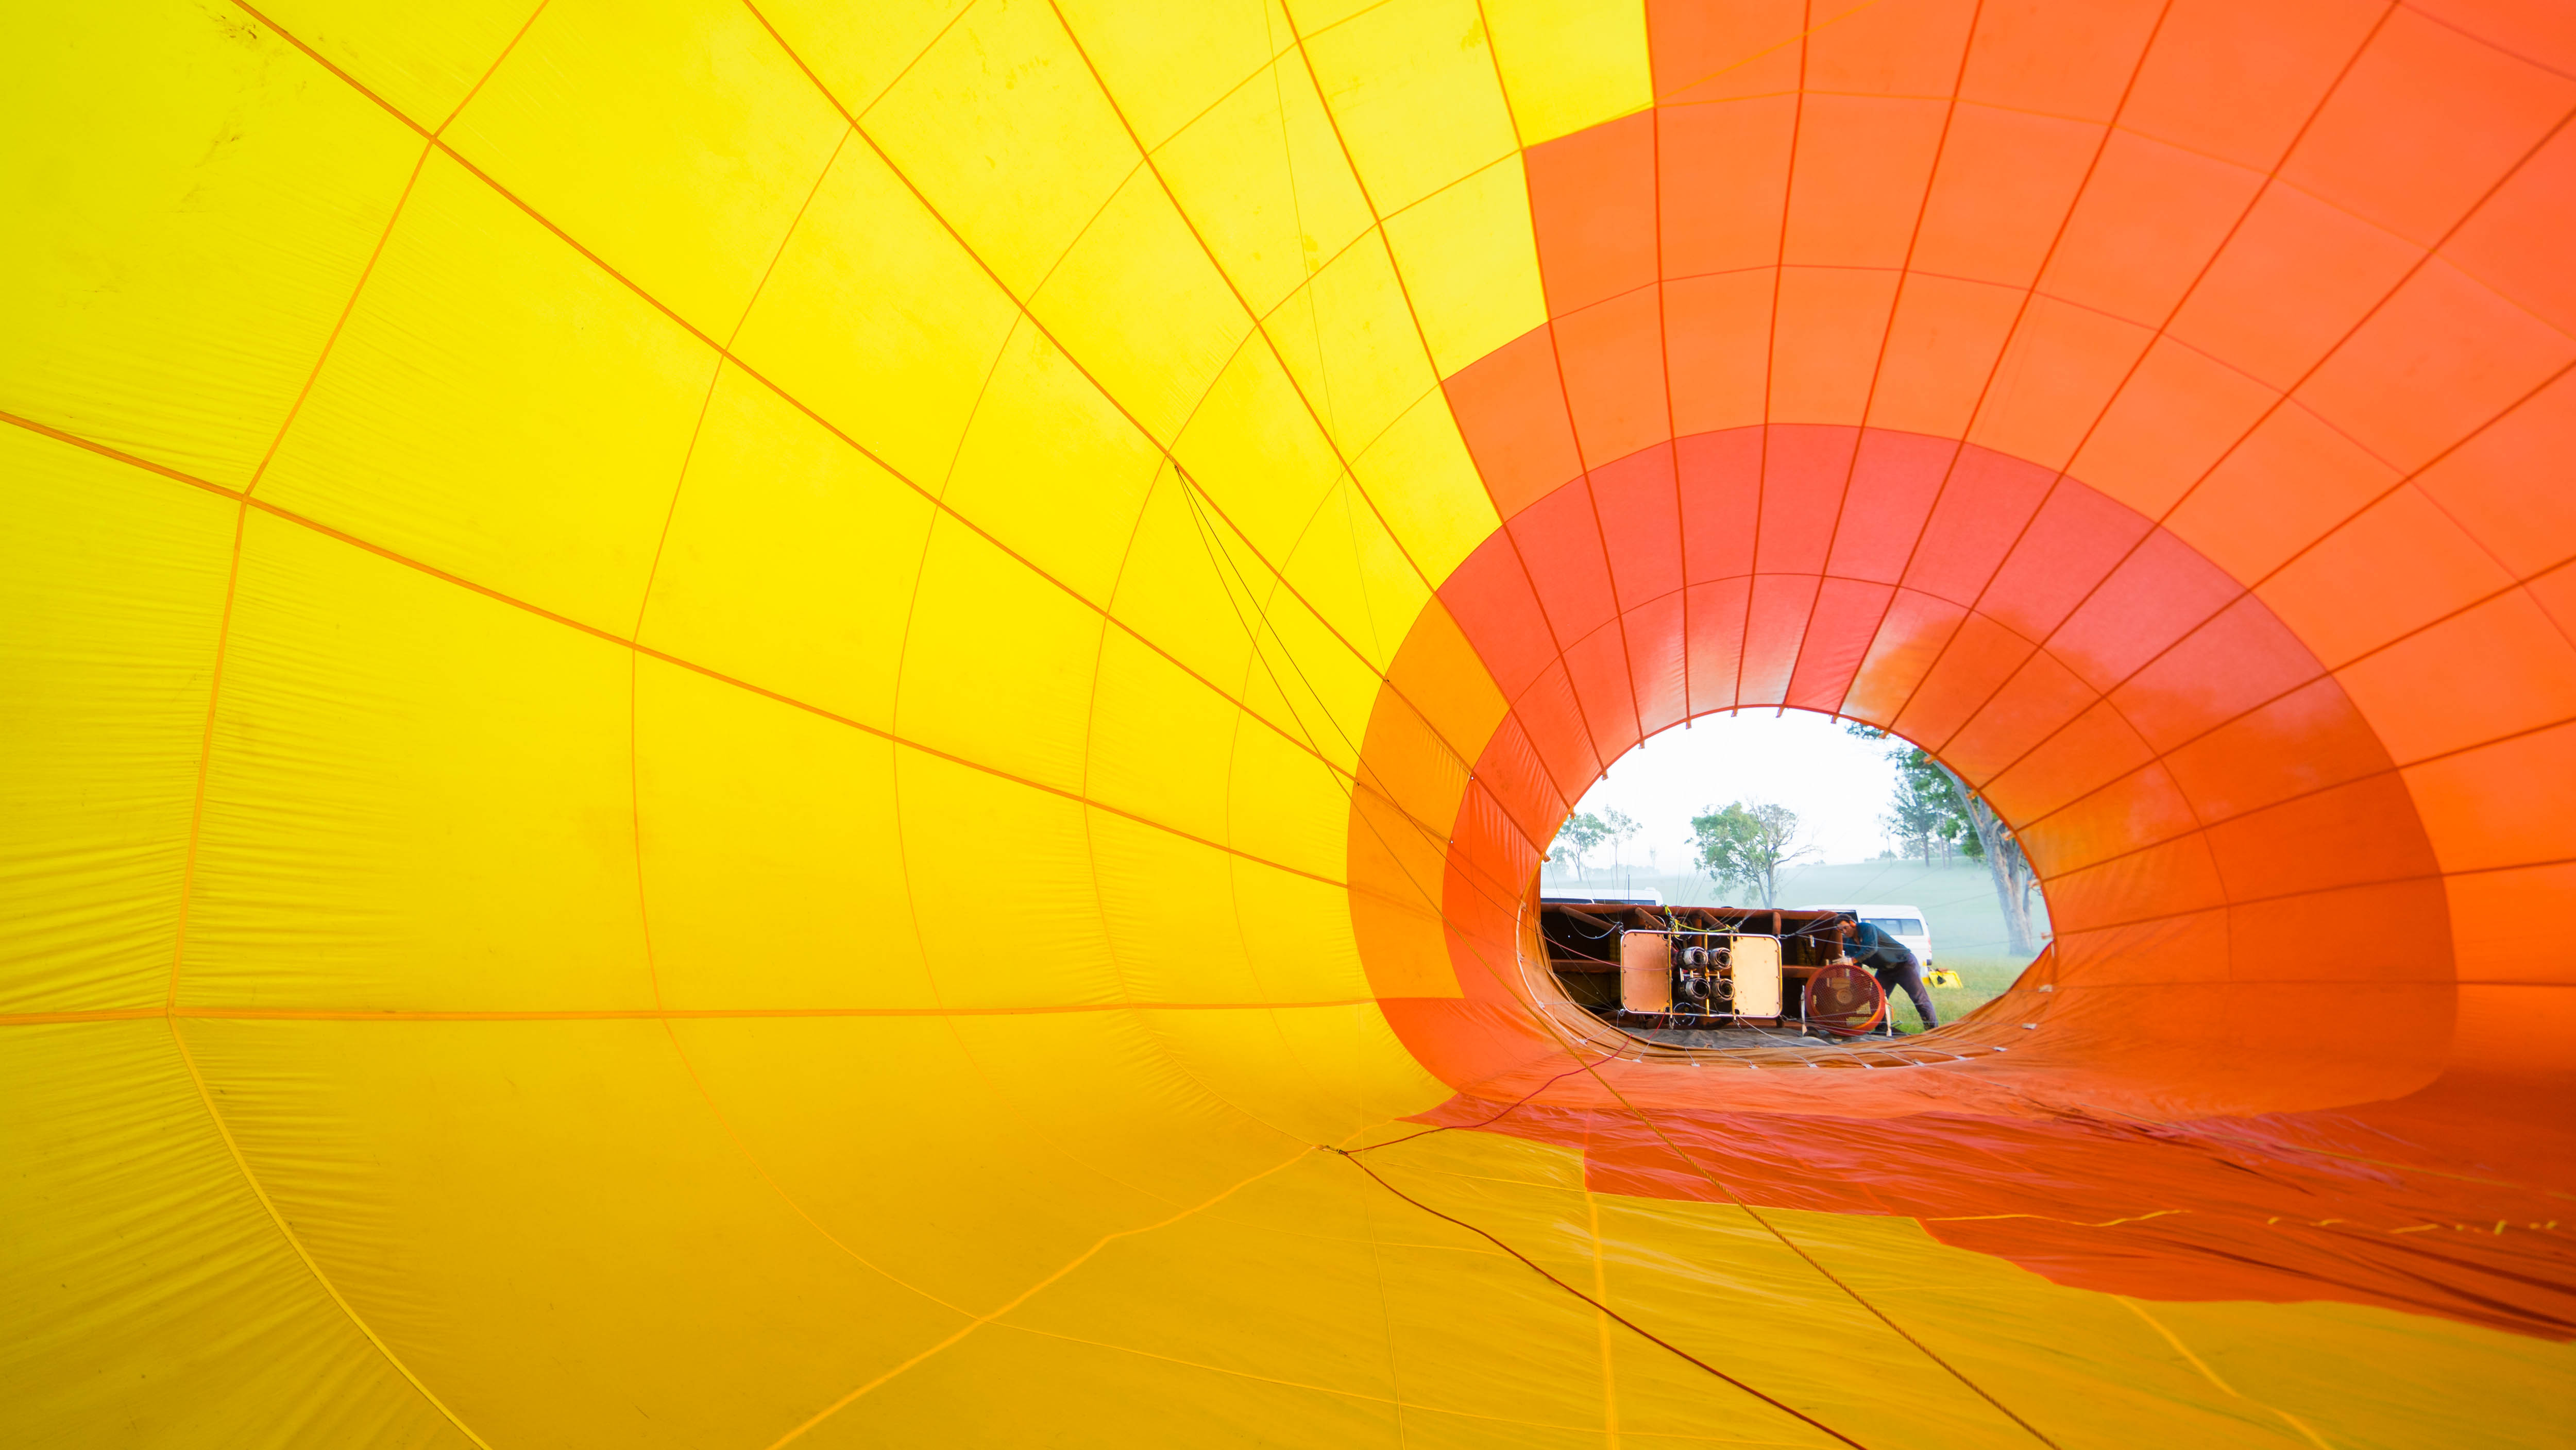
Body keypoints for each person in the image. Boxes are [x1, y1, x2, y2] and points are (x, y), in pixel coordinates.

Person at [1835, 912, 1937, 1032]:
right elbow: (1857, 968)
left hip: (1903, 964)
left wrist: (1852, 960)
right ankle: (1882, 1030)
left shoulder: (1866, 928)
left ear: (1852, 924)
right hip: (1885, 970)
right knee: (1877, 999)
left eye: (1845, 928)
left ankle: (1933, 1030)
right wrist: (1856, 984)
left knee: (1919, 999)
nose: (1845, 932)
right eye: (1841, 930)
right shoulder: (1850, 943)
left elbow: (1871, 948)